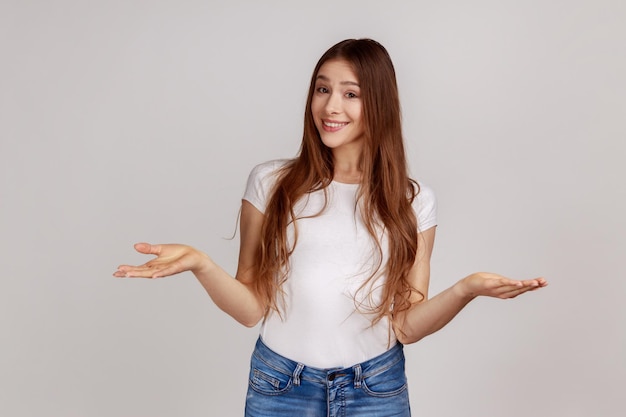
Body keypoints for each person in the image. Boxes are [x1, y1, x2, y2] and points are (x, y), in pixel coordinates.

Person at [113, 38, 547, 417]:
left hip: (375, 389)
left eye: (350, 94)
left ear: (379, 103)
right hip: (280, 386)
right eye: (322, 89)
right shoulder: (271, 183)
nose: (330, 106)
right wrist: (201, 265)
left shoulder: (413, 203)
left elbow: (407, 327)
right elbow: (250, 310)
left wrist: (466, 289)